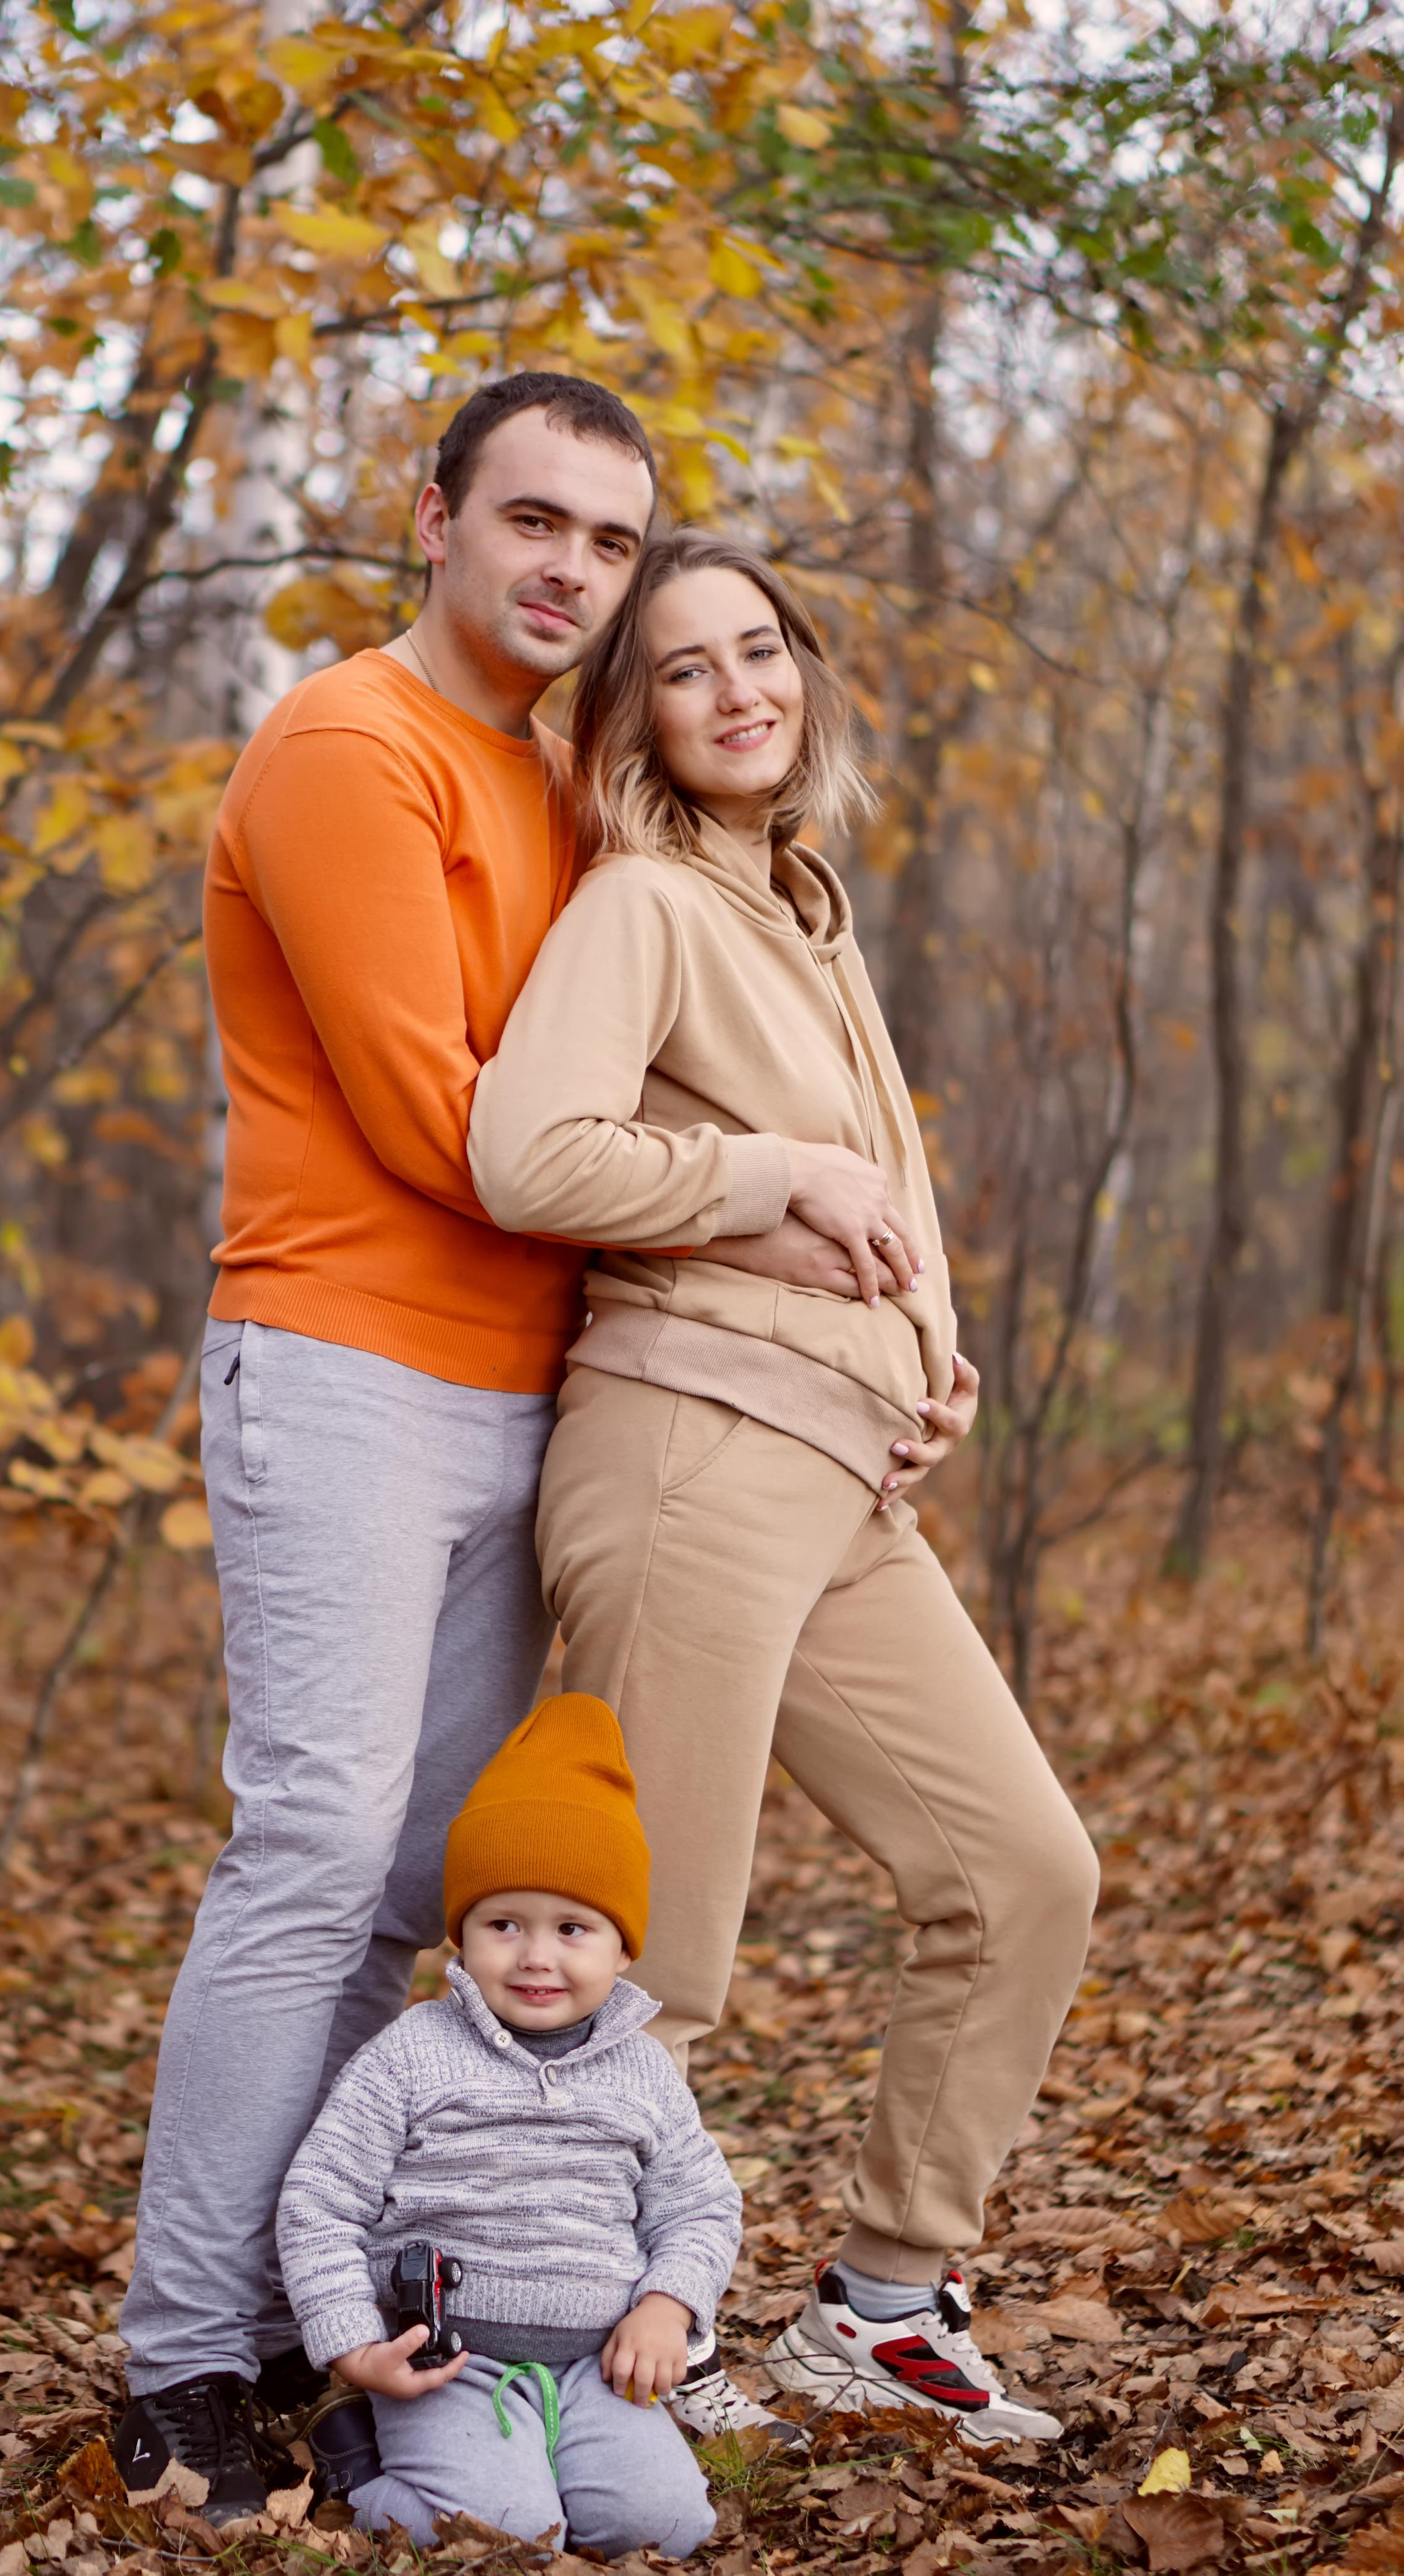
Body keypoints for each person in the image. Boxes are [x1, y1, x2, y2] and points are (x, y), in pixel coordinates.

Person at [114, 382, 800, 2525]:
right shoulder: (350, 745)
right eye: (532, 519)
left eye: (610, 541)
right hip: (342, 1360)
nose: (570, 572)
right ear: (432, 518)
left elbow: (626, 1082)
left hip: (536, 1383)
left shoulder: (565, 782)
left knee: (417, 1887)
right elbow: (455, 1124)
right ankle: (177, 2360)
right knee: (311, 1848)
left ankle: (327, 2330)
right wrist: (743, 1181)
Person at [468, 527, 1102, 2445]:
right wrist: (765, 1189)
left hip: (842, 1474)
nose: (742, 688)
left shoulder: (803, 905)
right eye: (685, 666)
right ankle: (549, 2346)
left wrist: (936, 1350)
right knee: (646, 1952)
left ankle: (888, 2306)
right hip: (689, 1455)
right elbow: (531, 1153)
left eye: (765, 651)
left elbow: (870, 1184)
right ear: (636, 717)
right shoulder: (649, 902)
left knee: (1020, 1873)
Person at [275, 1695, 739, 2557]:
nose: (535, 1955)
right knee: (508, 2537)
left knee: (670, 2527)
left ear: (623, 1946)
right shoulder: (410, 2056)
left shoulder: (644, 2074)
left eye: (572, 1928)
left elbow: (699, 2208)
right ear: (462, 1936)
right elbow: (320, 2203)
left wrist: (668, 2307)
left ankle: (552, 2462)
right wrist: (353, 2348)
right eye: (503, 1925)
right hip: (446, 2367)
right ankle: (362, 2474)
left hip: (601, 2366)